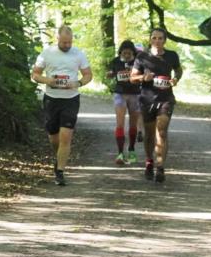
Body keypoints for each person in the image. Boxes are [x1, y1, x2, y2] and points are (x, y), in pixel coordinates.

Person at [31, 25, 93, 186]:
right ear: (57, 38)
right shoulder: (47, 53)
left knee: (66, 136)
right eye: (64, 42)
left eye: (69, 42)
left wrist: (78, 83)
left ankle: (60, 172)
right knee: (54, 137)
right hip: (52, 99)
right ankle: (59, 159)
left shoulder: (78, 54)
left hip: (71, 99)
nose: (67, 45)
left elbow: (88, 75)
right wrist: (48, 80)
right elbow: (35, 74)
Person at [130, 27, 183, 183]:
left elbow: (179, 70)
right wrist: (143, 78)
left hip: (166, 98)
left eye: (160, 38)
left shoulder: (172, 56)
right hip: (147, 99)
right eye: (154, 38)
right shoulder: (142, 57)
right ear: (150, 39)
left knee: (162, 132)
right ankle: (149, 162)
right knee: (149, 135)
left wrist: (175, 79)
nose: (157, 41)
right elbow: (132, 78)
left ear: (165, 40)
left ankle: (160, 167)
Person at [105, 39, 141, 165]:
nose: (126, 56)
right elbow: (109, 72)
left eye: (129, 53)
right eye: (124, 53)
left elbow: (144, 75)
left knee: (133, 124)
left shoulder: (138, 61)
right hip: (120, 93)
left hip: (135, 94)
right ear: (120, 53)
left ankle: (131, 149)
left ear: (133, 53)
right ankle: (120, 153)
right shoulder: (115, 61)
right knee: (120, 124)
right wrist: (109, 74)